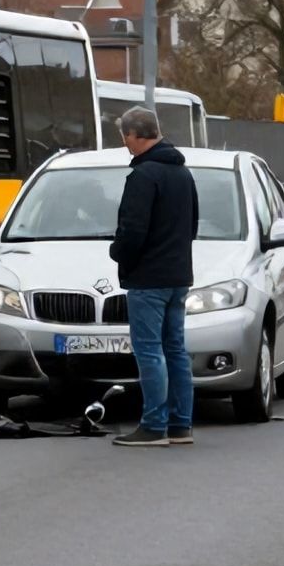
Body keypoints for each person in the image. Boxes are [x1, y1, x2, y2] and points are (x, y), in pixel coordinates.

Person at [108, 107, 200, 448]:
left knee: (148, 351)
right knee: (175, 349)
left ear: (135, 135)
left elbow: (133, 230)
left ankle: (153, 425)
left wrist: (118, 253)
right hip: (178, 275)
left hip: (148, 278)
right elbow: (192, 224)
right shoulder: (183, 173)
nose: (125, 144)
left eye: (126, 137)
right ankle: (180, 425)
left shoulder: (143, 176)